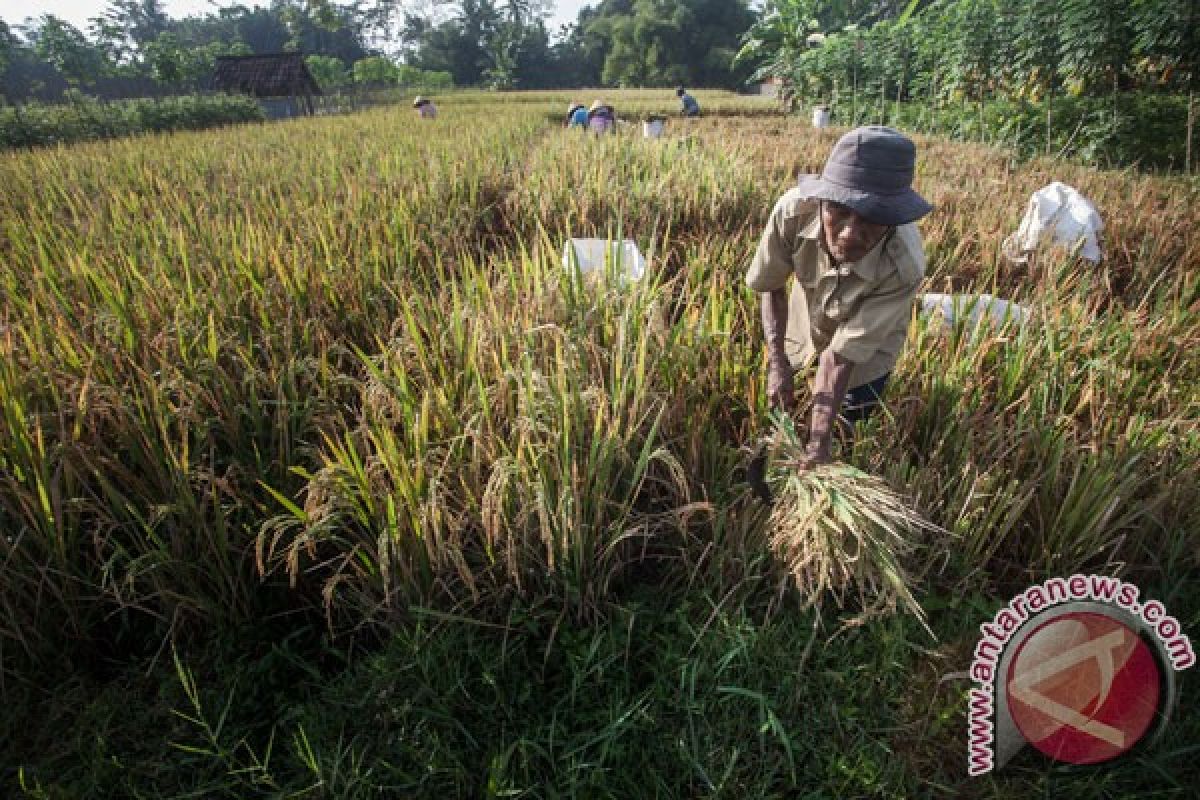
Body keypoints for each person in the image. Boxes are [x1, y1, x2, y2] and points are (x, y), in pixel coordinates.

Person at [745, 126, 933, 469]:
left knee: (849, 420)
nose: (849, 234)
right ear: (821, 199)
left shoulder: (903, 265)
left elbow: (843, 356)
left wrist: (819, 443)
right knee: (789, 392)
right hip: (807, 326)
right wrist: (777, 362)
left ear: (891, 221)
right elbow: (771, 285)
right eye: (840, 210)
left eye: (871, 221)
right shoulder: (791, 213)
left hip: (865, 357)